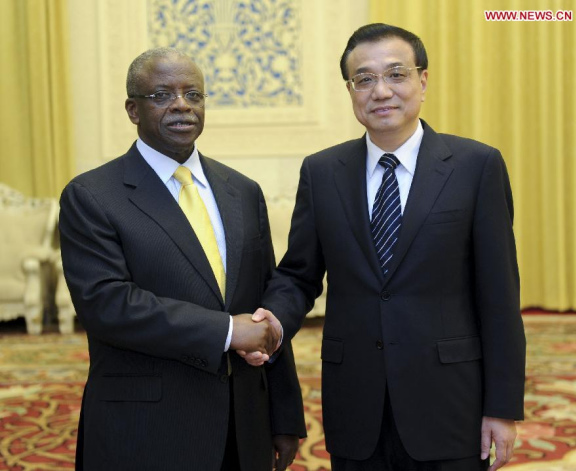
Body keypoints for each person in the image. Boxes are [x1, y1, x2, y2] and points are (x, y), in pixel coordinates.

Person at [254, 23, 526, 471]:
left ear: (423, 81)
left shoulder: (476, 166)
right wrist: (272, 321)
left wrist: (502, 407)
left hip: (450, 401)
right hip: (356, 402)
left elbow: (499, 296)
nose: (380, 91)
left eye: (396, 75)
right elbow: (299, 274)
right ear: (350, 90)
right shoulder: (322, 172)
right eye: (364, 79)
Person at [59, 47, 305, 471]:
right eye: (161, 95)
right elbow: (108, 306)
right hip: (146, 428)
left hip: (241, 425)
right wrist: (227, 332)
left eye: (193, 94)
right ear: (132, 110)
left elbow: (265, 305)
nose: (181, 105)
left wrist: (284, 416)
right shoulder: (92, 196)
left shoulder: (243, 191)